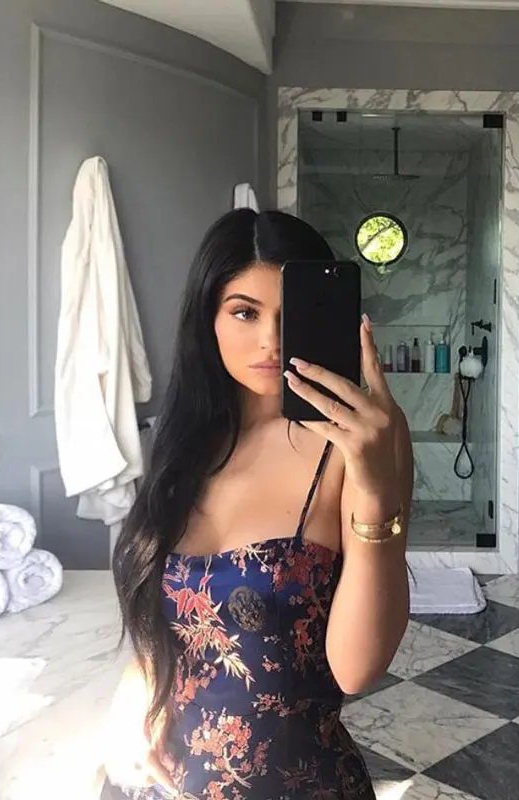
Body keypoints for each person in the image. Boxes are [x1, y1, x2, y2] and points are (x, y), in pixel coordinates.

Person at [102, 209, 413, 800]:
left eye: (290, 314)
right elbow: (170, 616)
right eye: (245, 312)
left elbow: (356, 669)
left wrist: (375, 491)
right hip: (158, 778)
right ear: (208, 319)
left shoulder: (361, 440)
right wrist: (136, 692)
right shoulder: (184, 440)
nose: (271, 339)